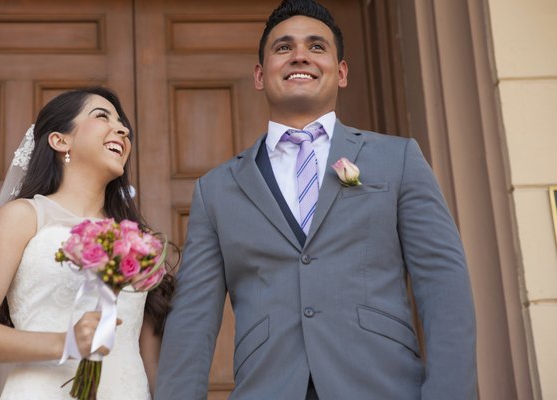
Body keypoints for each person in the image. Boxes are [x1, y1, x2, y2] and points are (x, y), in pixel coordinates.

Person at [155, 1, 477, 399]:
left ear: (341, 73)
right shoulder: (216, 189)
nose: (300, 56)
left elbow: (444, 285)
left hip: (382, 386)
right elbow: (191, 322)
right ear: (260, 74)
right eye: (283, 47)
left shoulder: (398, 159)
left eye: (317, 46)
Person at [0, 87, 172, 399]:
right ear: (60, 140)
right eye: (102, 116)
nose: (122, 129)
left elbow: (149, 355)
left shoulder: (136, 240)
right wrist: (66, 343)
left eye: (123, 125)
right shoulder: (24, 217)